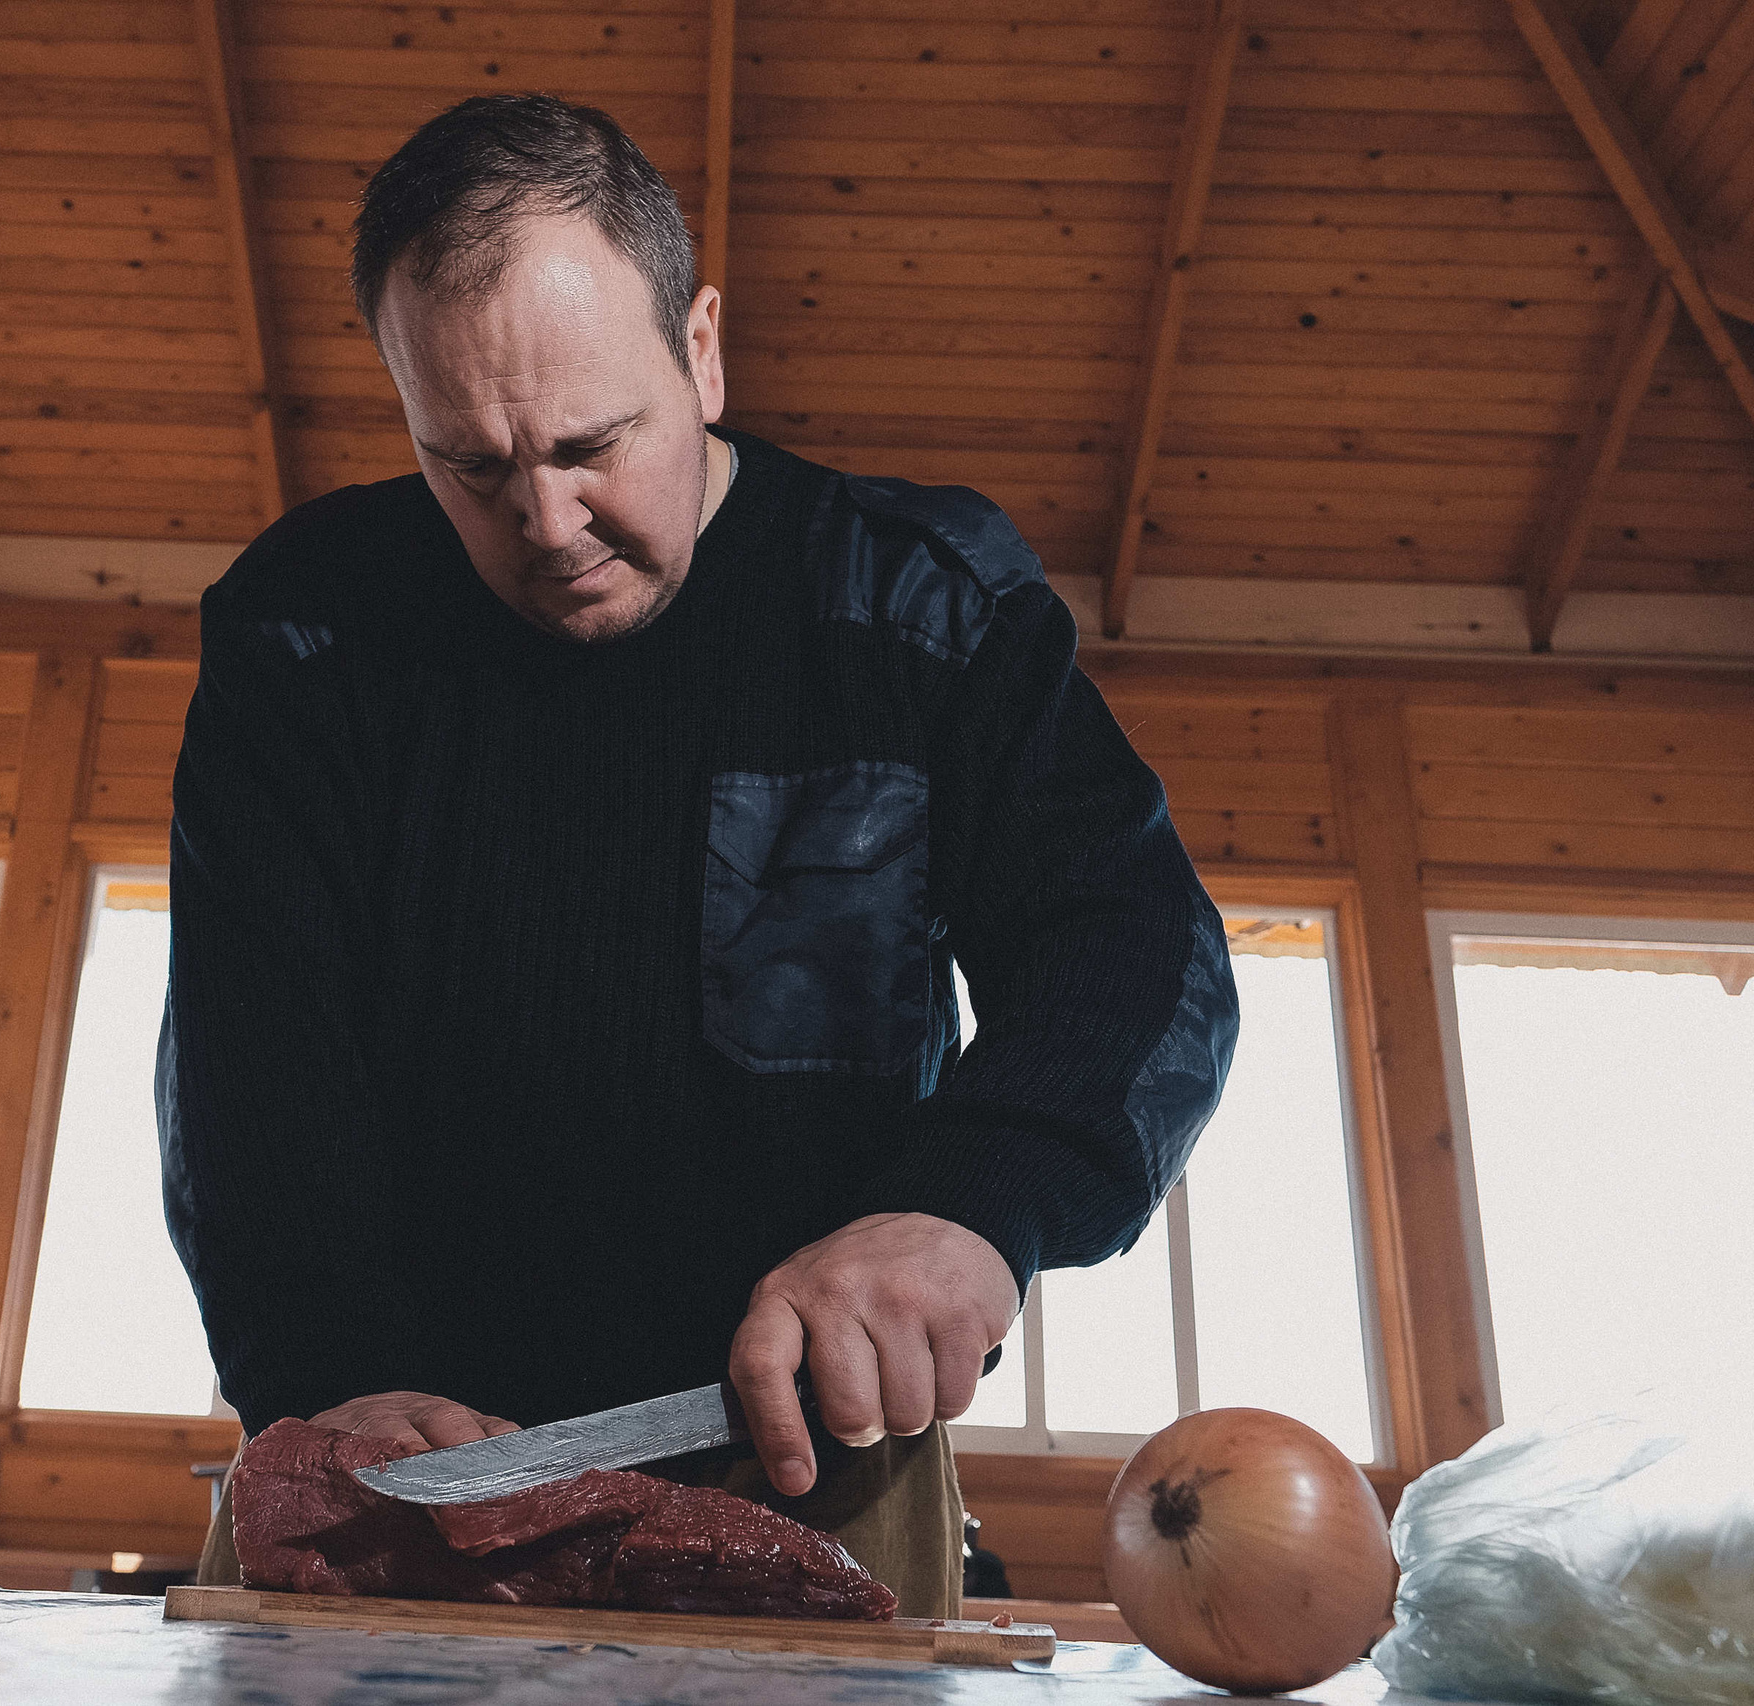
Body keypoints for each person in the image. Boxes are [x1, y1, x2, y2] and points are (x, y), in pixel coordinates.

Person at [160, 93, 1237, 1616]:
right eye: (468, 465)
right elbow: (250, 1069)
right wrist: (340, 1372)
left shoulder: (918, 604)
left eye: (594, 443)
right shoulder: (302, 637)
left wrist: (975, 1200)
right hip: (395, 1477)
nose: (547, 521)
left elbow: (1139, 952)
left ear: (702, 350)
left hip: (818, 1474)